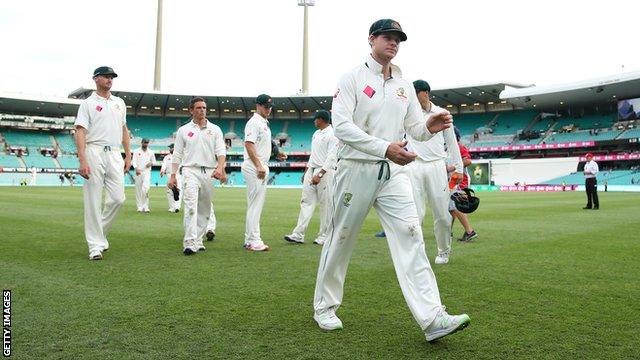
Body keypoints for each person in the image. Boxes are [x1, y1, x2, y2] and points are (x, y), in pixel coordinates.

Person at [313, 19, 470, 342]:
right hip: (356, 168)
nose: (394, 43)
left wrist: (431, 125)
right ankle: (324, 306)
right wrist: (385, 148)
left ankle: (432, 317)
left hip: (394, 171)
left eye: (398, 38)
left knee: (412, 235)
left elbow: (413, 128)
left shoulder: (404, 85)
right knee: (340, 237)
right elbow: (342, 127)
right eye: (387, 37)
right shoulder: (351, 78)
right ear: (371, 39)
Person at [74, 66, 131, 260]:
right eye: (106, 76)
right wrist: (83, 159)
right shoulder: (87, 103)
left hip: (114, 153)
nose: (110, 79)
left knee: (118, 199)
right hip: (94, 151)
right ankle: (95, 246)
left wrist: (128, 155)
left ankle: (100, 234)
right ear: (96, 79)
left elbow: (124, 130)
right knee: (93, 199)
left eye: (112, 77)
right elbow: (80, 131)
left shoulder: (119, 103)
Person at [406, 79, 464, 265]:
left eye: (416, 94)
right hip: (413, 166)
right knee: (415, 214)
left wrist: (459, 168)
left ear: (425, 93)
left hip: (437, 165)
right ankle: (416, 254)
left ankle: (443, 252)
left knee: (442, 214)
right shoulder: (407, 114)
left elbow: (452, 142)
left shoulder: (442, 113)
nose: (413, 99)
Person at [168, 97, 227, 255]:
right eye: (199, 107)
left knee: (205, 209)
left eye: (204, 108)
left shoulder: (215, 129)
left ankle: (198, 239)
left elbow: (221, 151)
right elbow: (177, 154)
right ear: (191, 110)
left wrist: (220, 168)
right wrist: (173, 175)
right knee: (191, 207)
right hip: (190, 170)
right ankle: (189, 242)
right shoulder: (183, 130)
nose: (202, 110)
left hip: (209, 171)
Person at [284, 110, 338, 246]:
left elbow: (332, 157)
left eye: (316, 119)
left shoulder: (333, 134)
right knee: (306, 202)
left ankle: (324, 236)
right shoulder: (316, 134)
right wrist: (306, 171)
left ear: (322, 119)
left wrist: (320, 174)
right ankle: (298, 234)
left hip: (325, 171)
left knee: (325, 205)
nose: (314, 121)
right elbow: (313, 155)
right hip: (312, 169)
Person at [242, 94, 286, 252]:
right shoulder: (254, 122)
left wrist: (277, 153)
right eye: (266, 107)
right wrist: (259, 165)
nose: (269, 109)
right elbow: (249, 144)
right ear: (258, 106)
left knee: (253, 204)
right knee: (256, 205)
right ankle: (254, 240)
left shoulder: (263, 123)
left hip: (259, 164)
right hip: (256, 165)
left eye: (270, 107)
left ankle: (249, 239)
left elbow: (263, 143)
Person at [448, 127, 477, 242]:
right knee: (450, 208)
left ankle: (470, 231)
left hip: (459, 180)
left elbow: (468, 161)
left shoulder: (459, 146)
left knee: (454, 206)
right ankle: (447, 231)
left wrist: (452, 167)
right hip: (453, 180)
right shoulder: (451, 148)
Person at [132, 138, 155, 212]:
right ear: (141, 142)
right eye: (144, 142)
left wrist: (151, 163)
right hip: (138, 172)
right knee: (138, 190)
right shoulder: (136, 151)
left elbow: (154, 161)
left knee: (145, 189)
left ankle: (146, 206)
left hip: (147, 172)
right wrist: (136, 169)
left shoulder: (151, 152)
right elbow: (134, 161)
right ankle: (139, 206)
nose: (146, 144)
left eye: (147, 143)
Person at [160, 143, 181, 212]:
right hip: (169, 175)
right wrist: (162, 170)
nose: (170, 149)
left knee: (178, 190)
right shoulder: (167, 157)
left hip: (178, 175)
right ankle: (172, 207)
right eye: (170, 148)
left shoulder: (180, 156)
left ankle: (177, 206)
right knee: (169, 191)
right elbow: (164, 165)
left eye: (171, 147)